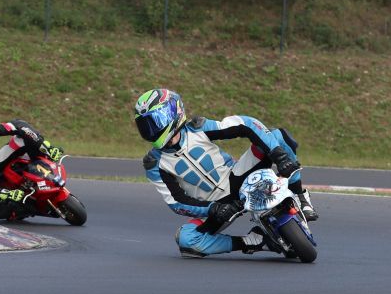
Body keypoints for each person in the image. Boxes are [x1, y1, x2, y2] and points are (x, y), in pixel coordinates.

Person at [134, 88, 318, 258]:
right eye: (145, 126)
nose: (150, 130)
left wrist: (279, 156)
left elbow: (247, 124)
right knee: (186, 239)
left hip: (236, 178)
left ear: (173, 113)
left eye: (154, 122)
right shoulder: (154, 164)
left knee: (278, 136)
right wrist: (212, 209)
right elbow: (176, 202)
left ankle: (300, 196)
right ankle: (253, 241)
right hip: (216, 205)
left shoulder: (198, 128)